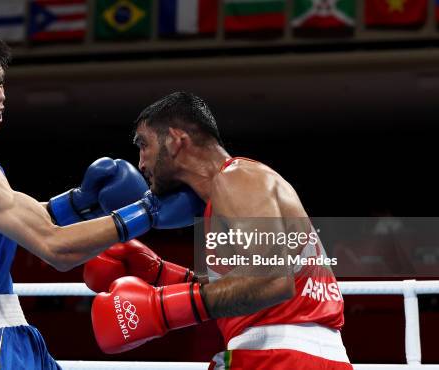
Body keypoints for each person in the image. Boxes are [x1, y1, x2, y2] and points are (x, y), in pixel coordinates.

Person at [0, 26, 204, 369]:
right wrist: (148, 211)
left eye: (1, 82)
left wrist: (79, 202)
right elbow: (57, 249)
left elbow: (19, 217)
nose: (0, 95)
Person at [86, 91, 352, 369]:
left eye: (144, 145)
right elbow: (246, 283)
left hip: (281, 356)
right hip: (286, 354)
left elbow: (272, 280)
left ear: (176, 140)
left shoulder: (237, 179)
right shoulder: (230, 192)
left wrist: (161, 309)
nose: (141, 162)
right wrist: (160, 274)